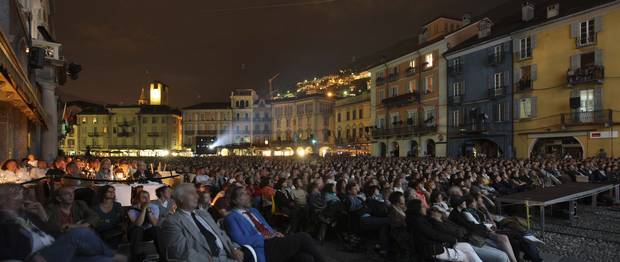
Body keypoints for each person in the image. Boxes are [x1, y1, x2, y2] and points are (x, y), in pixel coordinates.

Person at [0, 183, 126, 262]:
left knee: (103, 260)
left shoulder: (80, 204)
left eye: (72, 194)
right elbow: (54, 228)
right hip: (43, 252)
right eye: (16, 196)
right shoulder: (6, 221)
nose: (22, 199)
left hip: (60, 247)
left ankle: (113, 257)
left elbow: (95, 217)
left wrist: (76, 225)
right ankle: (115, 255)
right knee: (81, 233)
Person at [224, 186, 326, 262]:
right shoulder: (231, 218)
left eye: (247, 193)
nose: (248, 195)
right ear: (235, 200)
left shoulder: (253, 210)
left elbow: (267, 227)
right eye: (243, 194)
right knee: (304, 237)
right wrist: (265, 236)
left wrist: (275, 233)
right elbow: (240, 240)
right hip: (263, 247)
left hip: (273, 242)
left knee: (306, 258)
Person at [161, 183, 248, 262]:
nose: (197, 196)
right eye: (192, 193)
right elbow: (181, 252)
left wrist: (234, 248)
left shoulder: (204, 214)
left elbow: (221, 233)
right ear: (181, 198)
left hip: (228, 256)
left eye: (196, 193)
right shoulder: (172, 222)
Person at [406, 199, 480, 262]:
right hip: (433, 250)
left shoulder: (418, 219)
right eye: (422, 206)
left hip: (439, 246)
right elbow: (434, 234)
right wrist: (452, 239)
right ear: (417, 208)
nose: (425, 207)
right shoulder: (419, 221)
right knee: (464, 256)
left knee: (466, 248)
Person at [127, 190, 161, 261]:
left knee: (156, 229)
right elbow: (138, 224)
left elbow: (154, 223)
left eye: (147, 197)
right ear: (138, 199)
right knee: (138, 229)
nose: (146, 199)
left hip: (147, 233)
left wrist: (148, 210)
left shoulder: (154, 207)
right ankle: (135, 257)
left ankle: (162, 255)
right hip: (134, 235)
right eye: (143, 197)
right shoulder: (131, 209)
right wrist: (144, 209)